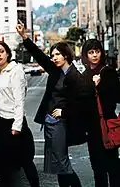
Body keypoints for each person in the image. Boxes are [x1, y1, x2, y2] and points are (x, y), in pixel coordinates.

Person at [16, 20, 85, 187]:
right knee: (57, 164)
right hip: (50, 123)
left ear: (66, 55)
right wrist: (25, 37)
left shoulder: (74, 76)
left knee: (62, 162)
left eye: (57, 55)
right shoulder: (55, 70)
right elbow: (39, 56)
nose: (53, 58)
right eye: (52, 55)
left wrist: (64, 112)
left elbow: (81, 101)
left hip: (63, 124)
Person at [0, 40, 39, 187]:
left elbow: (19, 100)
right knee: (2, 165)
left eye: (1, 51)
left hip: (13, 124)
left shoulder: (15, 71)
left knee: (25, 161)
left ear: (8, 53)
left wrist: (17, 126)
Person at [81, 39, 120, 187]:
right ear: (86, 55)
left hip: (108, 124)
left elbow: (115, 97)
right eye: (91, 52)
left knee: (113, 165)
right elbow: (82, 101)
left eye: (97, 51)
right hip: (92, 127)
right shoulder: (85, 75)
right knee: (97, 167)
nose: (95, 55)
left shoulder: (108, 72)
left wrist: (99, 86)